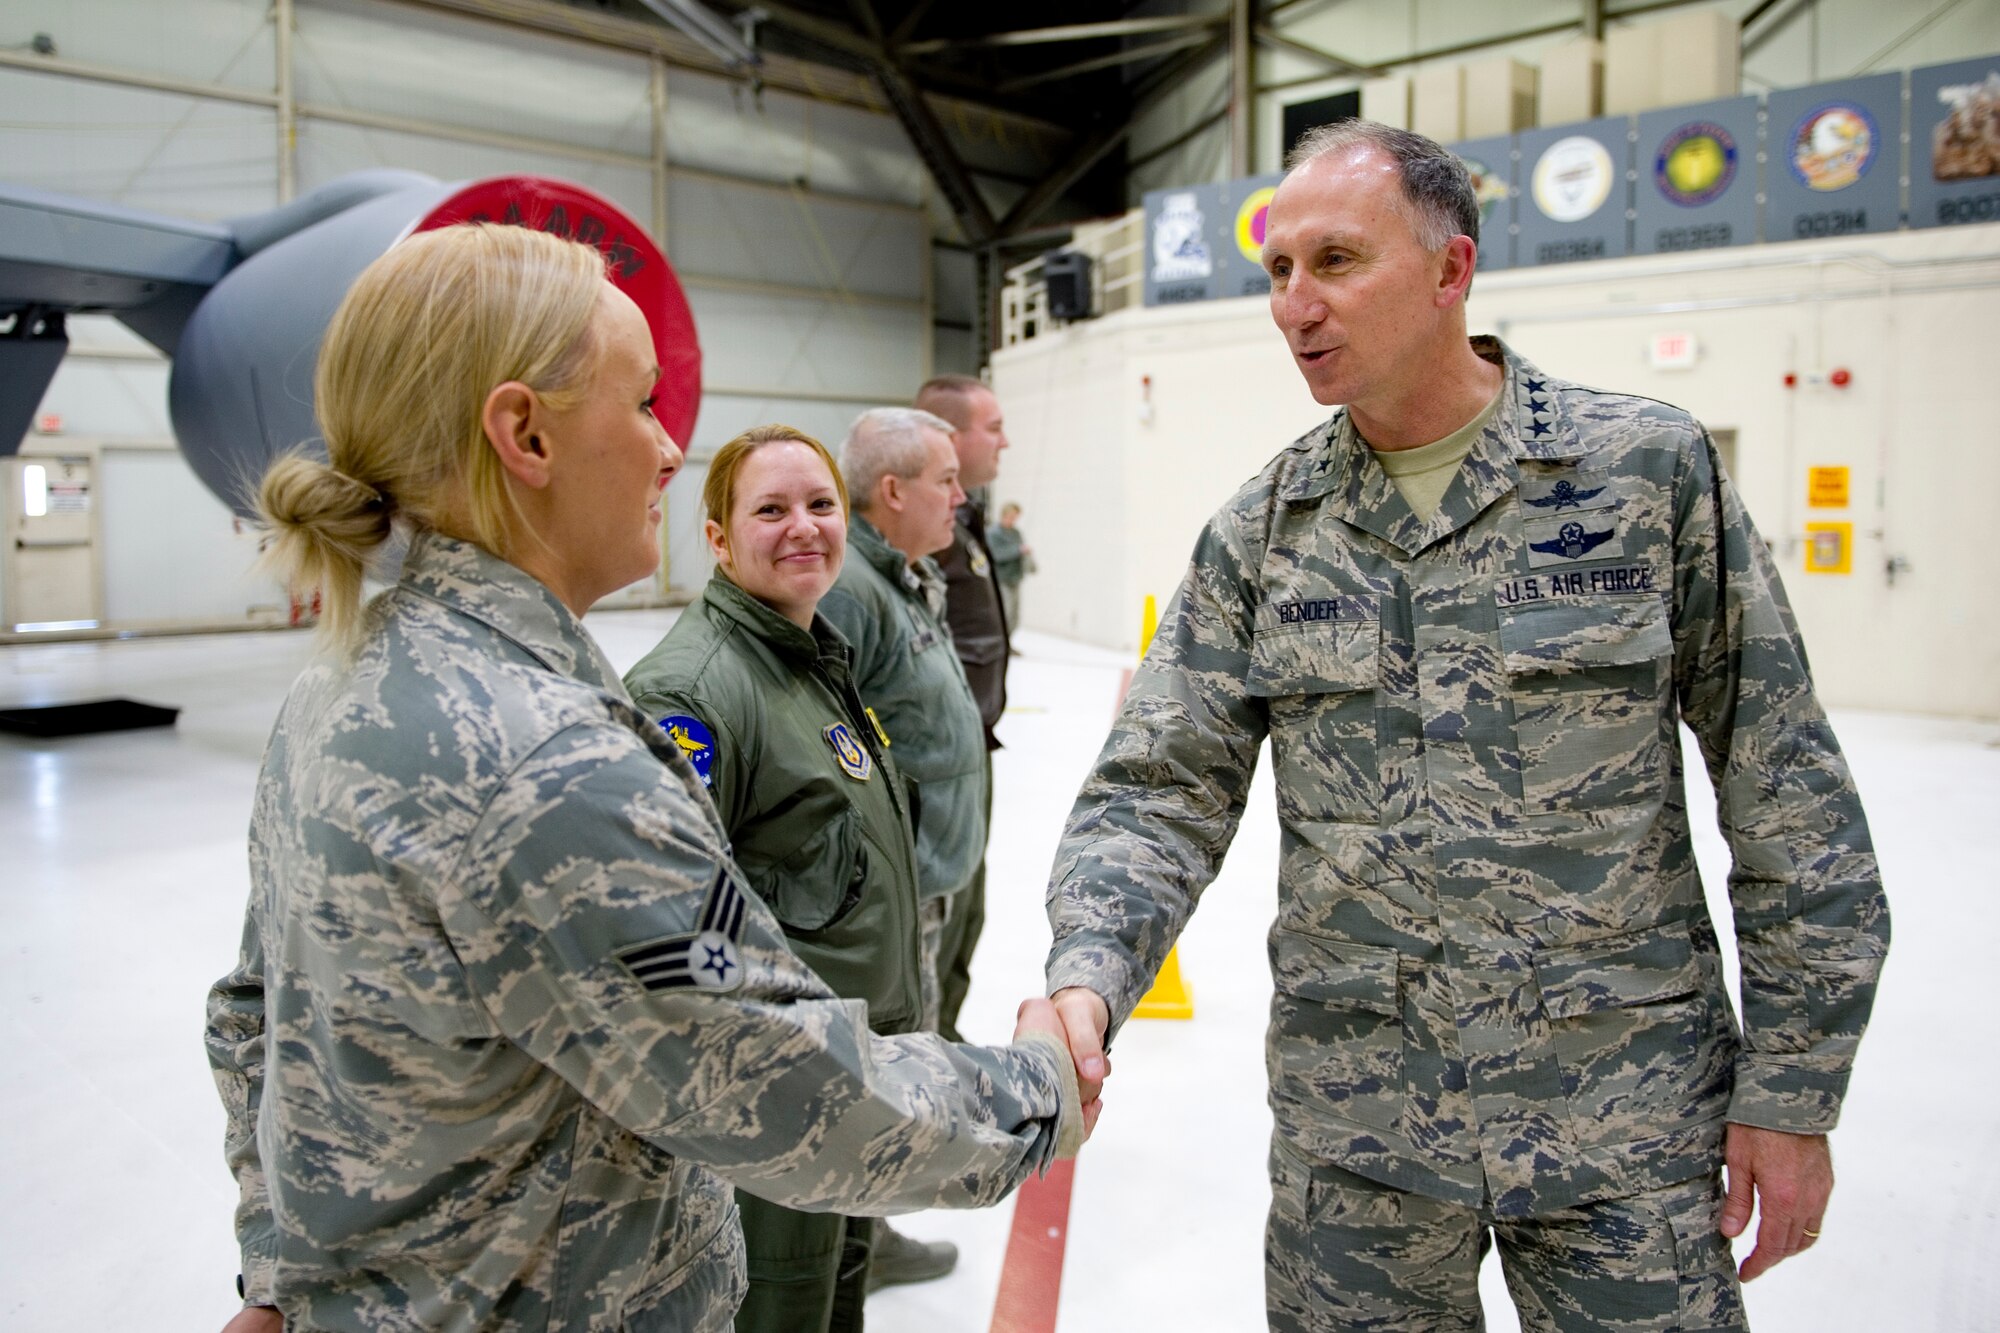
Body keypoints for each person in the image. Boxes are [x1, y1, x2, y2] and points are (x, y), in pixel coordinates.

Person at [1042, 120, 1890, 1331]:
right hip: (1361, 1141)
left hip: (1623, 1123)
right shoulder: (1264, 530)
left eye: (1334, 261)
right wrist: (1086, 974)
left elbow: (1784, 788)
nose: (1293, 304)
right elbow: (1158, 787)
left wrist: (1795, 1086)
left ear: (1451, 270)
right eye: (1277, 271)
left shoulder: (1641, 475)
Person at [204, 224, 1087, 1333]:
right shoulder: (544, 763)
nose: (671, 448)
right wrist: (1037, 1087)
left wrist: (279, 1267)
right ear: (523, 433)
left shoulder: (343, 684)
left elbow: (256, 1015)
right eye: (640, 404)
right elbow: (780, 1086)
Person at [621, 424, 926, 1333]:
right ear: (716, 538)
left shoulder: (813, 659)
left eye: (821, 504)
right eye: (770, 509)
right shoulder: (694, 694)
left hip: (860, 1084)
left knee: (840, 1301)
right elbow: (674, 938)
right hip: (778, 1114)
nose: (804, 527)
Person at [815, 406, 989, 1292]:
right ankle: (862, 1240)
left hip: (934, 872)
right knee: (879, 1063)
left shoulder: (903, 578)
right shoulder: (851, 590)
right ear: (892, 490)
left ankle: (873, 1221)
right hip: (898, 885)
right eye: (945, 480)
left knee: (911, 1044)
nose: (962, 494)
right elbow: (827, 747)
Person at [911, 375, 1011, 1051]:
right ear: (952, 437)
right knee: (937, 909)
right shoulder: (923, 526)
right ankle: (924, 1045)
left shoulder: (964, 516)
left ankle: (943, 1034)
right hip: (936, 756)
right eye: (994, 426)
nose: (1005, 439)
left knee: (967, 908)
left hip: (971, 743)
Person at [984, 501, 1034, 635]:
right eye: (1011, 517)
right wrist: (1018, 550)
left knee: (1014, 614)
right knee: (1004, 612)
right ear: (1004, 515)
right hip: (1001, 578)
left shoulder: (1016, 533)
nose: (1013, 520)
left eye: (1016, 517)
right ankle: (1000, 642)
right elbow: (995, 555)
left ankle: (1008, 641)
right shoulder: (993, 533)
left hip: (1015, 577)